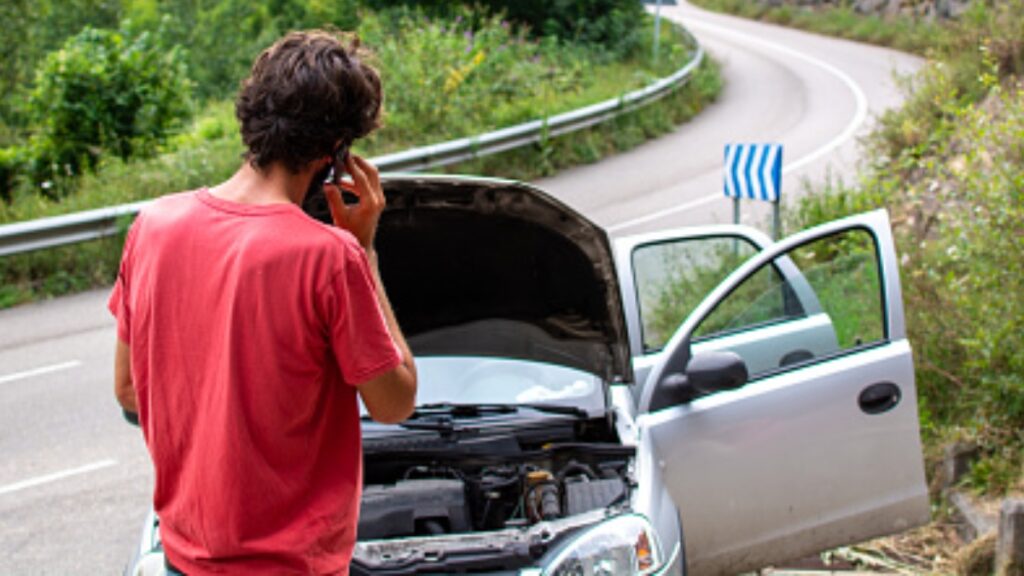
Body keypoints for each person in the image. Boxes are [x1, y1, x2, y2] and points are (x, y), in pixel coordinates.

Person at [108, 30, 417, 575]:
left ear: (250, 117)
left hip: (183, 560)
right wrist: (366, 252)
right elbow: (395, 402)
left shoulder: (151, 226)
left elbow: (130, 391)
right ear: (336, 153)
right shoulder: (330, 257)